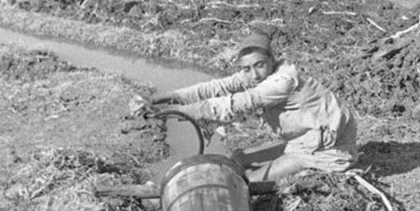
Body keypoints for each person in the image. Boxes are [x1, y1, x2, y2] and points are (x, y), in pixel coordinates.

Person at [150, 30, 358, 184]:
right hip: (306, 138)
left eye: (259, 65)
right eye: (247, 69)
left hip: (329, 149)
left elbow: (234, 105)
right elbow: (216, 87)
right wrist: (168, 96)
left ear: (272, 60)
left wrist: (176, 112)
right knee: (238, 159)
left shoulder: (282, 81)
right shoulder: (257, 75)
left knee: (250, 180)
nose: (254, 74)